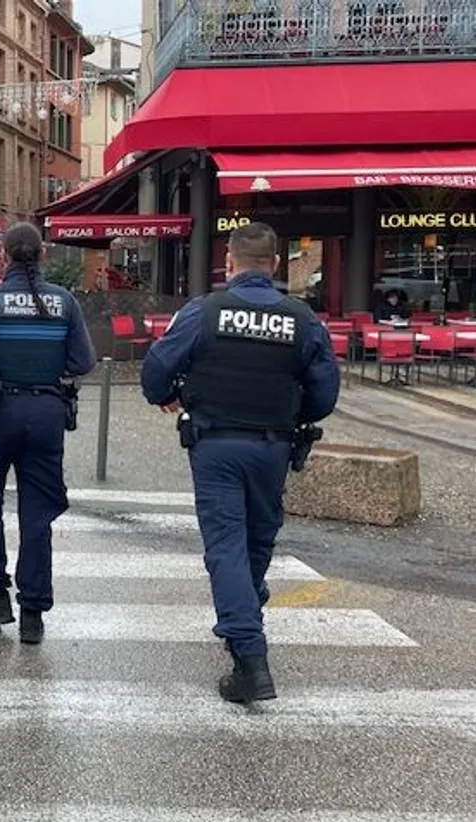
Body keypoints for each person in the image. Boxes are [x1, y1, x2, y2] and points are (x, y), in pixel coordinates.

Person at [141, 221, 340, 704]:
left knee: (226, 544)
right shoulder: (303, 319)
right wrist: (290, 410)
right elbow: (324, 395)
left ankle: (250, 657)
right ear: (275, 266)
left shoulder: (203, 312)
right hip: (273, 446)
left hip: (216, 445)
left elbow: (155, 374)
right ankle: (245, 613)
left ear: (228, 264)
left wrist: (172, 395)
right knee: (256, 538)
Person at [0, 221, 97, 644]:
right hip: (47, 414)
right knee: (37, 513)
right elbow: (83, 361)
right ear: (43, 255)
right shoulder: (64, 302)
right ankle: (33, 612)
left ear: (6, 258)